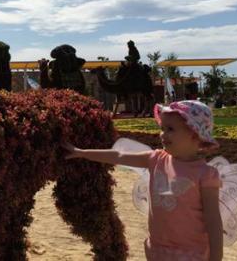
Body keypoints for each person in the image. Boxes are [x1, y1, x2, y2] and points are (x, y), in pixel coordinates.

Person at [62, 100, 223, 261]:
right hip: (158, 249)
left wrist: (216, 258)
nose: (162, 134)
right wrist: (82, 153)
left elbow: (213, 221)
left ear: (194, 134)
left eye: (170, 129)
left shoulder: (205, 175)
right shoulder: (156, 159)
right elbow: (119, 156)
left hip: (190, 253)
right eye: (162, 128)